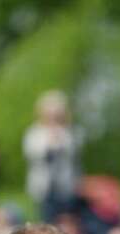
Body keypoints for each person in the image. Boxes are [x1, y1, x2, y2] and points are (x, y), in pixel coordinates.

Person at [24, 90, 80, 222]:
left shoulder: (70, 132)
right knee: (46, 222)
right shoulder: (35, 132)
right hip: (44, 189)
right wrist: (50, 141)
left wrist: (58, 136)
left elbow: (72, 153)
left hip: (66, 188)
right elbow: (33, 154)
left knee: (67, 223)